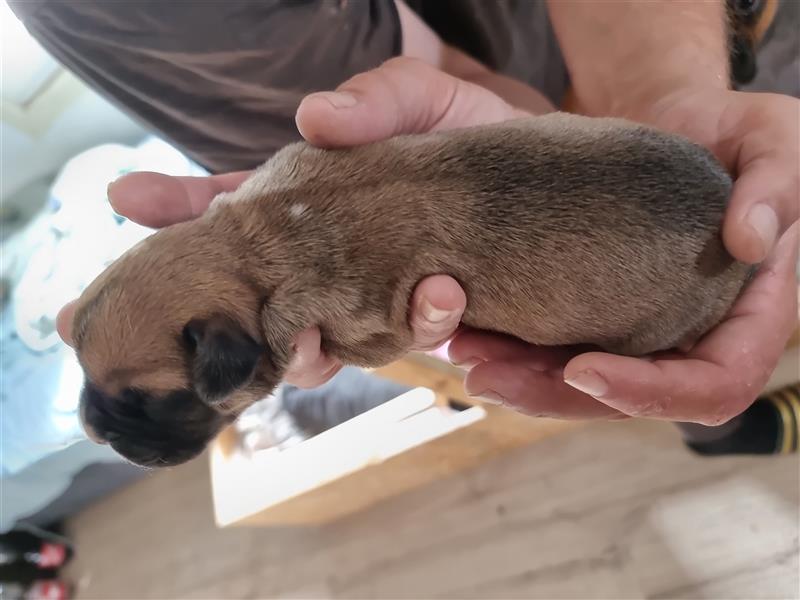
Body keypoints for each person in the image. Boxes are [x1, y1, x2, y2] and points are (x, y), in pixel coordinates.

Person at [11, 1, 798, 431]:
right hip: (648, 151)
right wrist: (670, 109)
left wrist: (677, 88)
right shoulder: (287, 166)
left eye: (153, 392)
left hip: (697, 80)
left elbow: (369, 327)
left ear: (226, 359)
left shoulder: (310, 304)